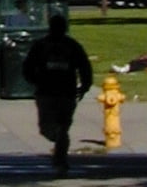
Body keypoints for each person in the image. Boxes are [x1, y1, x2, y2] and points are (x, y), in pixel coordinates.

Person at [22, 12, 93, 174]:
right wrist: (84, 86)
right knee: (63, 126)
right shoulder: (72, 46)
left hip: (48, 92)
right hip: (64, 92)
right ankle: (60, 151)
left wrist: (35, 81)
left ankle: (60, 156)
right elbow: (85, 68)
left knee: (47, 126)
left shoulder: (41, 46)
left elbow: (27, 67)